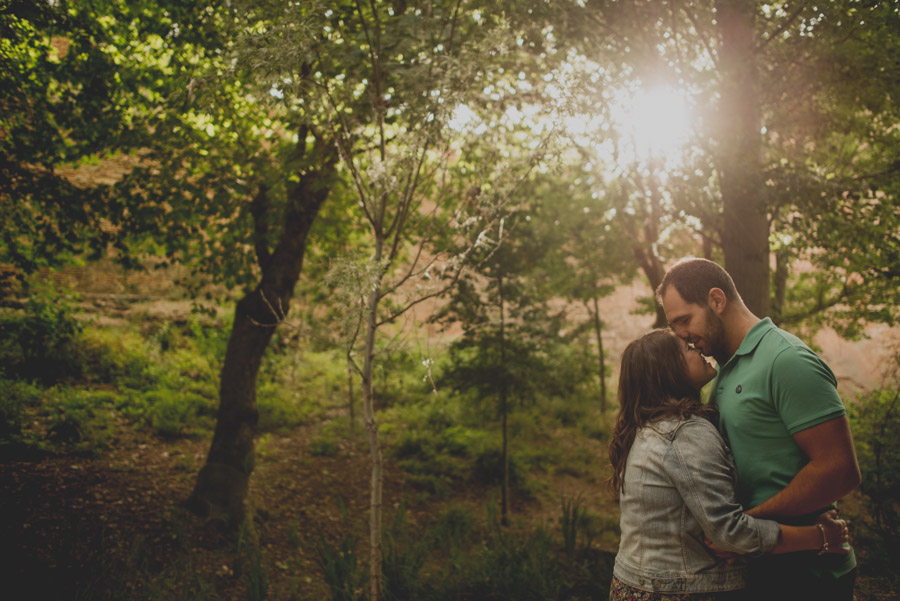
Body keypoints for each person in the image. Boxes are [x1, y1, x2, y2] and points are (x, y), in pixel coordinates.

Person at [656, 257, 861, 601]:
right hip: (759, 568)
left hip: (807, 574)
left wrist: (743, 525)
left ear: (717, 301)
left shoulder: (786, 360)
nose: (680, 335)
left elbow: (840, 471)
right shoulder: (724, 370)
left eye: (684, 320)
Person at [608, 330, 849, 601]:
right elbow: (728, 532)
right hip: (678, 591)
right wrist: (820, 536)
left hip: (633, 585)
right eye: (687, 349)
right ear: (669, 370)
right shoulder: (684, 433)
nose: (698, 349)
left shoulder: (645, 428)